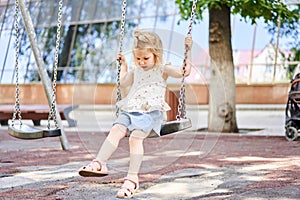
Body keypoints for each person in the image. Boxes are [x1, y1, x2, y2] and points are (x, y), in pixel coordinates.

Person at [79, 29, 193, 199]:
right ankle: (100, 163)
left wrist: (188, 51)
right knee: (116, 129)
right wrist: (124, 65)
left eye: (146, 58)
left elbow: (184, 72)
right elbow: (123, 82)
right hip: (130, 108)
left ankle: (132, 178)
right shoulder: (135, 70)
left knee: (135, 138)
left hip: (150, 112)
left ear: (156, 55)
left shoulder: (163, 69)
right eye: (138, 58)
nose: (142, 62)